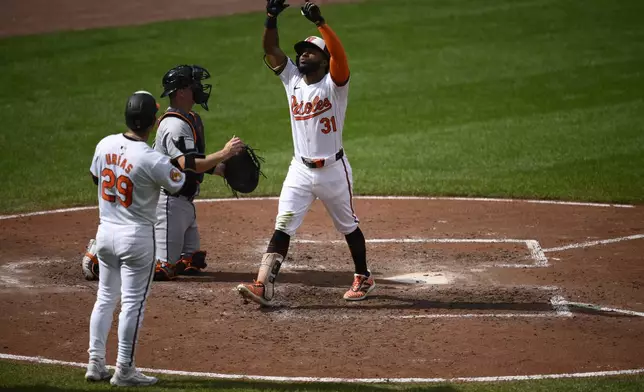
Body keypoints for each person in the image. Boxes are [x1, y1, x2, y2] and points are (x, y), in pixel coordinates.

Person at [236, 1, 374, 305]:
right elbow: (271, 48)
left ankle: (363, 276)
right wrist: (271, 18)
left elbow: (341, 55)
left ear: (325, 61)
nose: (302, 55)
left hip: (333, 171)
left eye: (310, 51)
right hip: (299, 170)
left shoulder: (335, 85)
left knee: (348, 226)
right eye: (300, 51)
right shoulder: (292, 80)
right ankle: (263, 285)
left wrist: (321, 23)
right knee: (283, 224)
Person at [85, 91, 188, 386]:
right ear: (154, 122)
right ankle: (124, 370)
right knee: (132, 304)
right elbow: (179, 183)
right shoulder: (151, 157)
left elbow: (96, 176)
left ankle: (95, 363)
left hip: (104, 234)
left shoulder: (104, 144)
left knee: (105, 298)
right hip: (137, 238)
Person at [153, 64, 244, 281]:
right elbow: (188, 163)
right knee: (163, 269)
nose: (200, 87)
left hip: (183, 204)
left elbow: (191, 161)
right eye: (195, 84)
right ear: (182, 91)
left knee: (190, 262)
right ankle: (103, 254)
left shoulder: (190, 118)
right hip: (168, 204)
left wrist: (220, 169)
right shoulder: (175, 126)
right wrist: (224, 153)